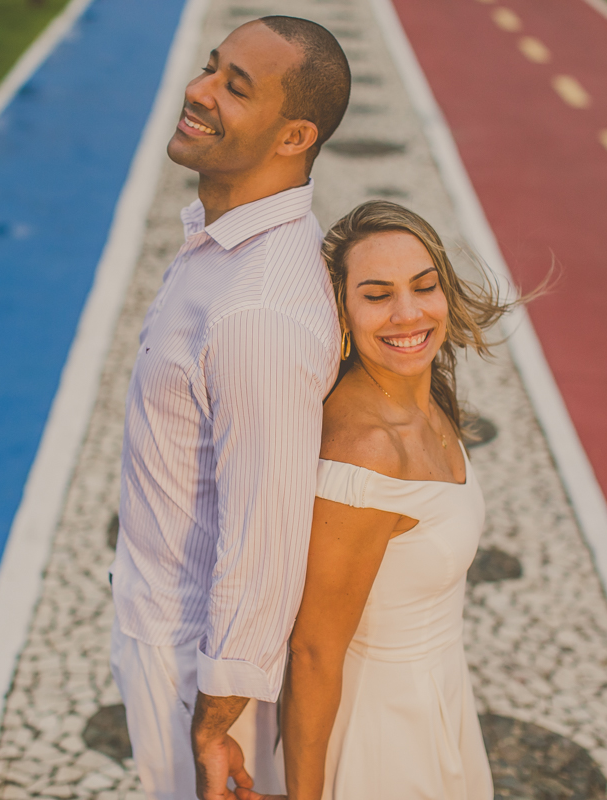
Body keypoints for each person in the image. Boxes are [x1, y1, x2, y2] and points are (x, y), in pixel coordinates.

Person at [108, 15, 351, 800]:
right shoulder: (224, 246)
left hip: (191, 660)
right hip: (165, 628)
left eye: (233, 88)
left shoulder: (257, 312)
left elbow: (266, 537)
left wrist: (215, 724)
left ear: (293, 136)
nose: (198, 90)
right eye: (211, 68)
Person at [237, 201, 517, 800]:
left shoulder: (424, 397)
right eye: (377, 294)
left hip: (439, 699)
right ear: (341, 310)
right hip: (383, 739)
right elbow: (312, 653)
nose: (408, 313)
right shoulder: (365, 453)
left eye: (424, 286)